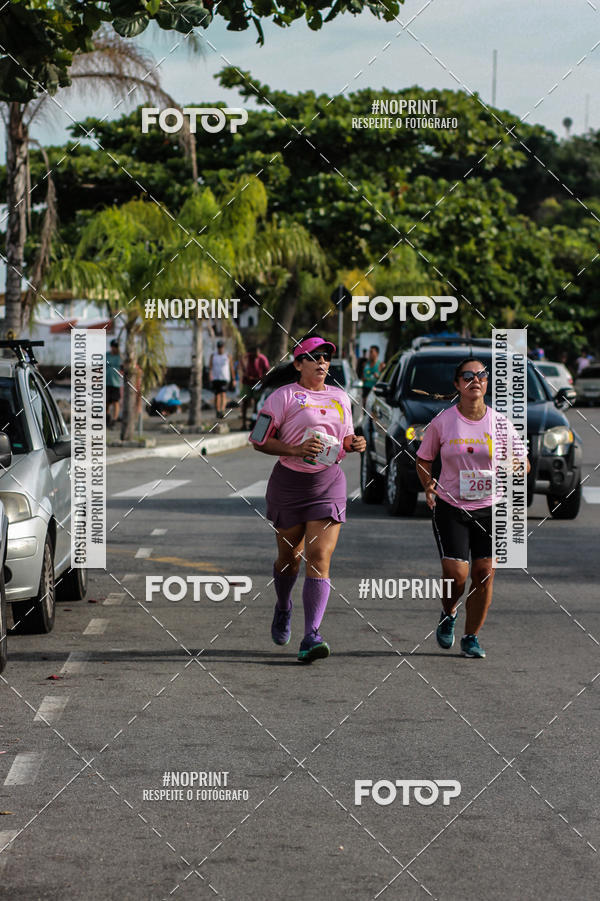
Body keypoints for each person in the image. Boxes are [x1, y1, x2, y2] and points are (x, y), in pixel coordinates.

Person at [251, 335, 366, 663]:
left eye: (326, 358)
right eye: (314, 358)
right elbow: (258, 440)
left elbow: (345, 437)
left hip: (328, 484)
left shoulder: (340, 397)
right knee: (290, 558)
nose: (322, 364)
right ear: (299, 363)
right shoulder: (281, 397)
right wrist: (295, 449)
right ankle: (283, 606)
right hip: (289, 484)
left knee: (319, 555)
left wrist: (354, 443)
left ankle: (311, 635)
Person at [415, 358, 530, 659]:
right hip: (451, 505)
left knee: (484, 572)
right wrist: (429, 485)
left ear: (487, 383)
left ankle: (471, 637)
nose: (475, 380)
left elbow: (524, 464)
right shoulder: (443, 422)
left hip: (490, 507)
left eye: (481, 375)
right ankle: (449, 611)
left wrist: (515, 465)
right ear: (457, 384)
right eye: (468, 376)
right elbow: (424, 459)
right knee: (456, 574)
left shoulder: (501, 424)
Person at [240, 345, 270, 430]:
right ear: (251, 353)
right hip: (247, 382)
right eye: (255, 354)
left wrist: (262, 379)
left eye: (258, 353)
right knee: (245, 402)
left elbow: (267, 371)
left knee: (257, 403)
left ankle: (254, 422)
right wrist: (244, 371)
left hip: (258, 383)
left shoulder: (262, 359)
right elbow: (241, 359)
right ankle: (244, 423)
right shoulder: (247, 357)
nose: (257, 355)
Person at [209, 340, 234, 419]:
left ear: (223, 347)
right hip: (216, 378)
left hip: (225, 378)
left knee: (223, 394)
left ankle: (222, 410)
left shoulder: (227, 356)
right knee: (217, 395)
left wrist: (233, 379)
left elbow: (231, 368)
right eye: (219, 347)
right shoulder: (213, 356)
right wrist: (210, 376)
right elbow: (210, 367)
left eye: (221, 347)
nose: (220, 349)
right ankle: (218, 410)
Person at [106, 338, 122, 427]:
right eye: (114, 347)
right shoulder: (106, 355)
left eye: (117, 347)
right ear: (111, 347)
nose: (115, 348)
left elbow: (124, 368)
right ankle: (107, 417)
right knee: (106, 402)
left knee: (116, 401)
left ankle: (114, 420)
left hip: (116, 383)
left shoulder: (120, 357)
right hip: (106, 382)